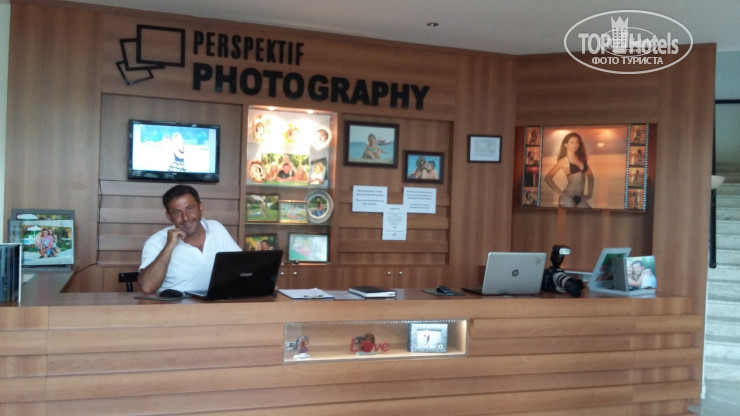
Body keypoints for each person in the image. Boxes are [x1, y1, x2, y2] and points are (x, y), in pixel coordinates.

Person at [138, 184, 241, 294]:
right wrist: (169, 247)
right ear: (169, 216)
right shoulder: (156, 241)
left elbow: (242, 267)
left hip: (214, 301)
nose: (185, 218)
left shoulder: (216, 228)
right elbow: (147, 287)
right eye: (177, 212)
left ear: (201, 207)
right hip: (174, 303)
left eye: (190, 208)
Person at [543, 132, 594, 208]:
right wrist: (560, 193)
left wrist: (590, 194)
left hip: (579, 197)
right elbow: (547, 178)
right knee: (569, 215)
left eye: (577, 142)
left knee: (590, 214)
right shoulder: (564, 161)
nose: (575, 145)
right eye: (572, 142)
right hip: (567, 197)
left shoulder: (581, 159)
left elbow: (590, 177)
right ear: (566, 145)